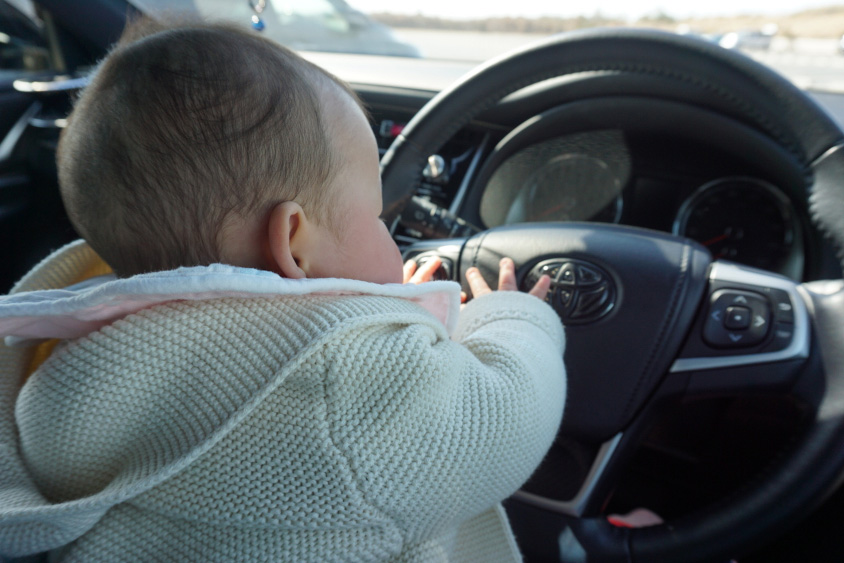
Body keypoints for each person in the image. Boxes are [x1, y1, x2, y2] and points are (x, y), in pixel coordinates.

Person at [0, 19, 565, 562]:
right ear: (293, 242)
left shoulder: (65, 377)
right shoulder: (345, 386)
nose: (389, 232)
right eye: (376, 215)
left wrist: (380, 311)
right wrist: (511, 319)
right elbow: (505, 419)